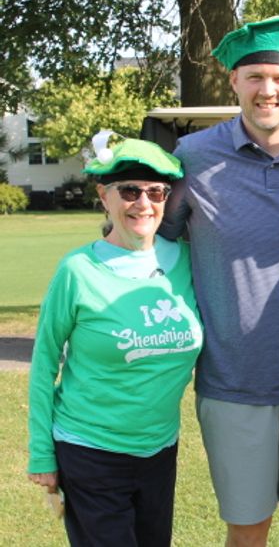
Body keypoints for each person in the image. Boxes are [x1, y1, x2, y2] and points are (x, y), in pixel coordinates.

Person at [159, 17, 279, 547]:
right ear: (233, 83)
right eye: (254, 77)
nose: (267, 90)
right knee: (246, 530)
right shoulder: (194, 157)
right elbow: (157, 240)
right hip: (232, 382)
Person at [27, 133, 204, 546]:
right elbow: (44, 362)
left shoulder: (186, 262)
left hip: (159, 450)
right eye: (129, 191)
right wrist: (41, 453)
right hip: (90, 449)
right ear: (103, 196)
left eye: (157, 192)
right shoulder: (77, 270)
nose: (144, 204)